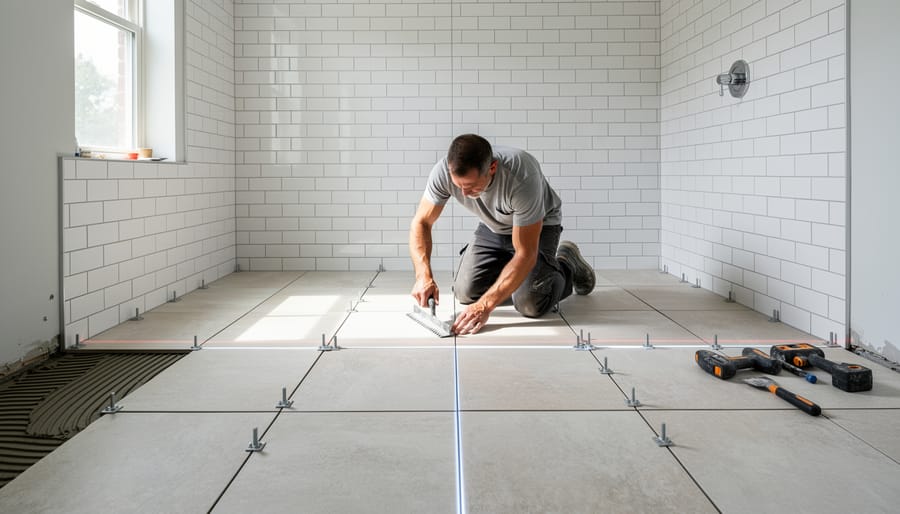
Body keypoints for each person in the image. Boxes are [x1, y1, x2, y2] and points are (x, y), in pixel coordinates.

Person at [409, 134, 596, 335]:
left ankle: (567, 264)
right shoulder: (443, 172)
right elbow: (421, 222)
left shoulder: (522, 175)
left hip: (539, 226)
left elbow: (525, 253)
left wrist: (486, 305)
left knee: (529, 303)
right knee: (465, 293)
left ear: (492, 168)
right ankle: (516, 281)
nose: (463, 193)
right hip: (494, 226)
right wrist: (423, 275)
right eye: (458, 185)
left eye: (471, 186)